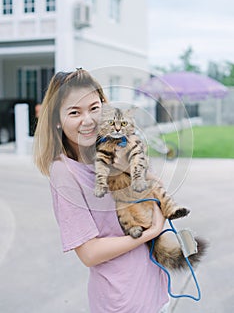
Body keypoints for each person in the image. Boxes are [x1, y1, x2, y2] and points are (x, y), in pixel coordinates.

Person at [33, 69, 170, 313]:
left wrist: (129, 166)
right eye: (75, 112)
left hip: (154, 289)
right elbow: (89, 253)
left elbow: (155, 187)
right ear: (57, 119)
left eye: (94, 108)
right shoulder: (65, 173)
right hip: (122, 301)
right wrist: (152, 232)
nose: (89, 120)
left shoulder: (112, 149)